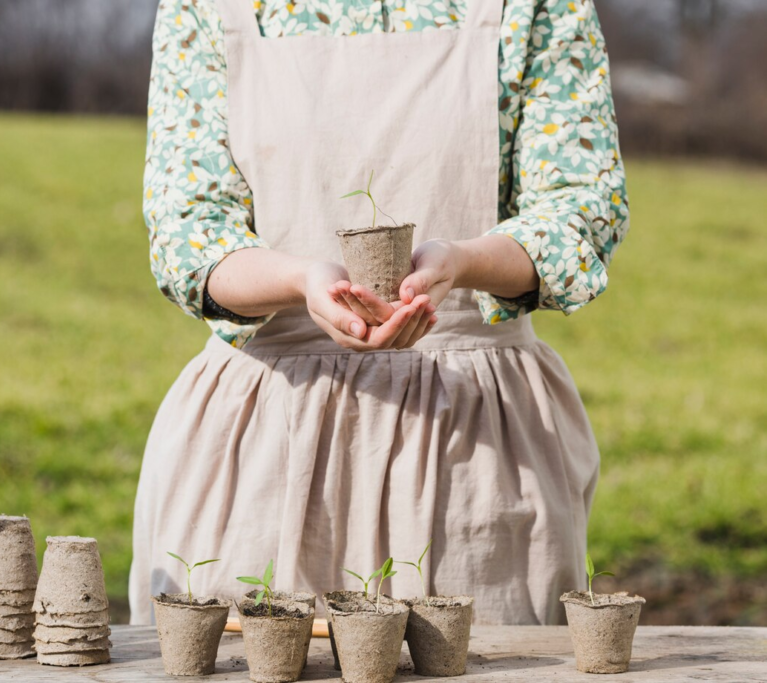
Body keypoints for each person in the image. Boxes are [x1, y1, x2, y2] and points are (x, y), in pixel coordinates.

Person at [130, 0, 629, 625]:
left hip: (475, 447)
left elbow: (579, 210)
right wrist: (302, 281)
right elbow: (189, 233)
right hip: (261, 439)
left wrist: (463, 263)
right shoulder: (204, 7)